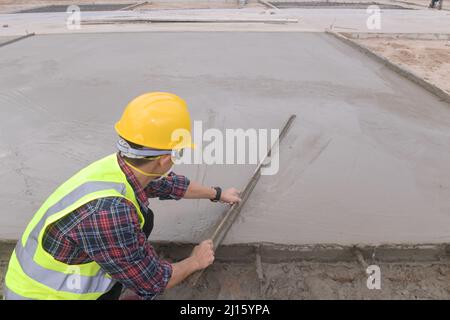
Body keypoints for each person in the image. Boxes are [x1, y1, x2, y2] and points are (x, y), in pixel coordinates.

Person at [4, 92, 241, 300]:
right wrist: (194, 261)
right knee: (140, 249)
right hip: (47, 295)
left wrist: (218, 194)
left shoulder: (118, 167)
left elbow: (166, 185)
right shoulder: (111, 212)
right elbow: (154, 282)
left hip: (46, 279)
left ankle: (122, 271)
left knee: (143, 220)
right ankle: (123, 274)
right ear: (165, 159)